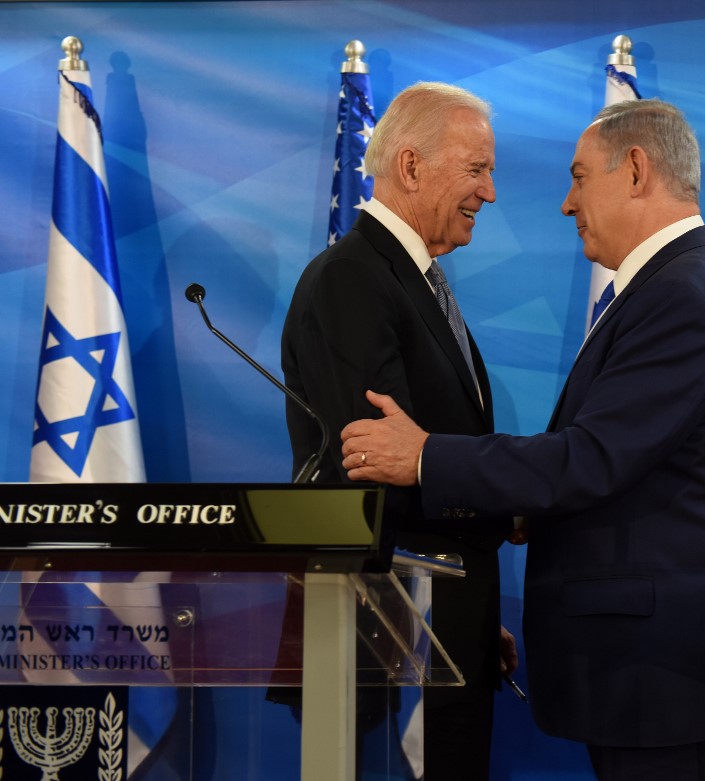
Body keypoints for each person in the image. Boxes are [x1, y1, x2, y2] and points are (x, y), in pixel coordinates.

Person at [338, 98, 705, 781]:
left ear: (636, 169)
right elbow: (637, 461)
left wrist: (425, 456)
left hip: (676, 681)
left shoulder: (684, 297)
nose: (566, 202)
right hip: (662, 678)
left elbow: (592, 456)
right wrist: (523, 507)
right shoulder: (678, 287)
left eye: (579, 177)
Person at [281, 81, 516, 779]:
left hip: (434, 628)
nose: (491, 192)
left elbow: (426, 453)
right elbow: (378, 467)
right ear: (411, 166)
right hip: (384, 650)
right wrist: (510, 500)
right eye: (477, 170)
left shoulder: (414, 280)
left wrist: (473, 606)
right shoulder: (353, 279)